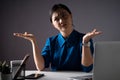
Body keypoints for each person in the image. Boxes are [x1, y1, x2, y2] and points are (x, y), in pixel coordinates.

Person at [13, 3, 101, 72]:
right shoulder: (51, 41)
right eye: (56, 19)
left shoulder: (84, 39)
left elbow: (87, 69)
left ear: (71, 16)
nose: (61, 21)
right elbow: (41, 67)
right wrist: (33, 41)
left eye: (64, 15)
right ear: (53, 24)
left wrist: (85, 42)